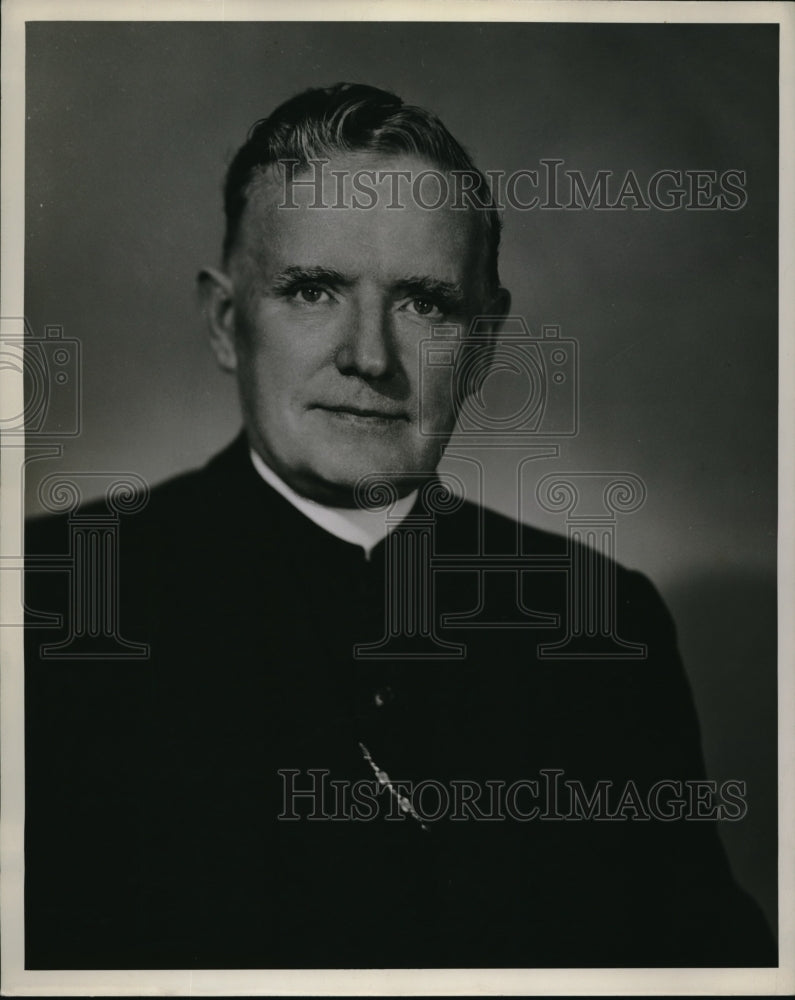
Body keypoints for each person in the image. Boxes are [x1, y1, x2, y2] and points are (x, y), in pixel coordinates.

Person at [24, 83, 775, 970]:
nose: (370, 357)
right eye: (311, 290)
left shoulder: (600, 623)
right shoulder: (53, 600)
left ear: (484, 343)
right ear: (228, 324)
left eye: (424, 303)